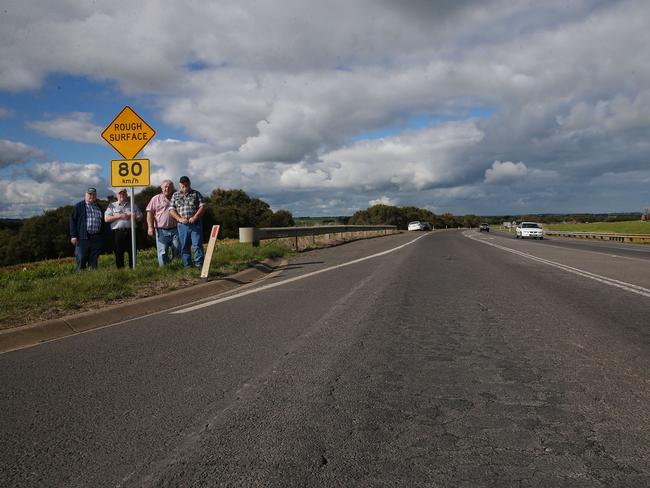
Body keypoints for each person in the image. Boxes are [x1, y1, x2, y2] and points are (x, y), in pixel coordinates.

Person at [169, 175, 206, 268]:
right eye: (182, 184)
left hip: (195, 223)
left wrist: (195, 217)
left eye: (186, 183)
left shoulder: (196, 194)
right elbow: (171, 209)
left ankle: (199, 265)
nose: (184, 185)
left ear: (189, 183)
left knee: (197, 245)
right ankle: (187, 266)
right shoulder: (175, 195)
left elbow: (203, 206)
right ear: (179, 184)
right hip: (182, 225)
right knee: (184, 246)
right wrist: (179, 219)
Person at [69, 187, 108, 270]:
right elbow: (72, 221)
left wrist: (103, 236)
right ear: (85, 195)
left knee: (94, 258)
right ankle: (81, 276)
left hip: (96, 237)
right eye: (89, 194)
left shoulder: (99, 207)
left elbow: (103, 222)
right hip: (83, 237)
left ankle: (93, 276)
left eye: (93, 195)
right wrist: (73, 235)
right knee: (82, 257)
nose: (91, 196)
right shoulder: (79, 206)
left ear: (96, 196)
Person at [104, 189, 143, 269]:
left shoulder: (133, 205)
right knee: (118, 252)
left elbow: (140, 217)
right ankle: (121, 271)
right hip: (117, 232)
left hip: (131, 231)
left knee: (132, 252)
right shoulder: (112, 205)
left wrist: (133, 216)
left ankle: (133, 270)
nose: (122, 195)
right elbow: (106, 219)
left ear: (126, 195)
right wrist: (120, 216)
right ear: (116, 196)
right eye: (120, 194)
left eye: (124, 194)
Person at [146, 179, 180, 266]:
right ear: (161, 188)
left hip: (176, 229)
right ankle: (164, 269)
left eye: (169, 187)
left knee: (177, 249)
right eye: (165, 187)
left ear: (172, 188)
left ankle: (176, 267)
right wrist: (150, 227)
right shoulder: (155, 199)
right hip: (161, 230)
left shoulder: (177, 197)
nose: (167, 189)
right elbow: (150, 213)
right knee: (162, 251)